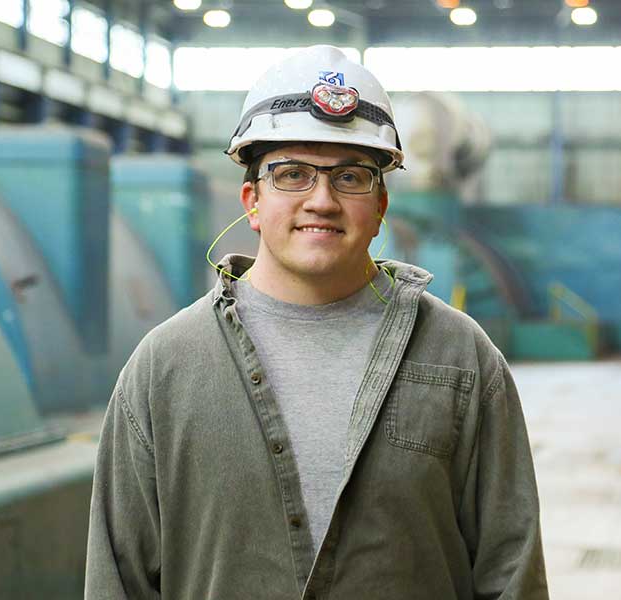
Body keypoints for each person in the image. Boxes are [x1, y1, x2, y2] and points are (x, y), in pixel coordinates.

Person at [85, 45, 549, 600]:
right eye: (293, 174)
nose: (322, 200)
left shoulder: (459, 357)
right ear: (252, 201)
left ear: (380, 206)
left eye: (350, 177)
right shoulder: (165, 367)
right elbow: (120, 581)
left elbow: (511, 571)